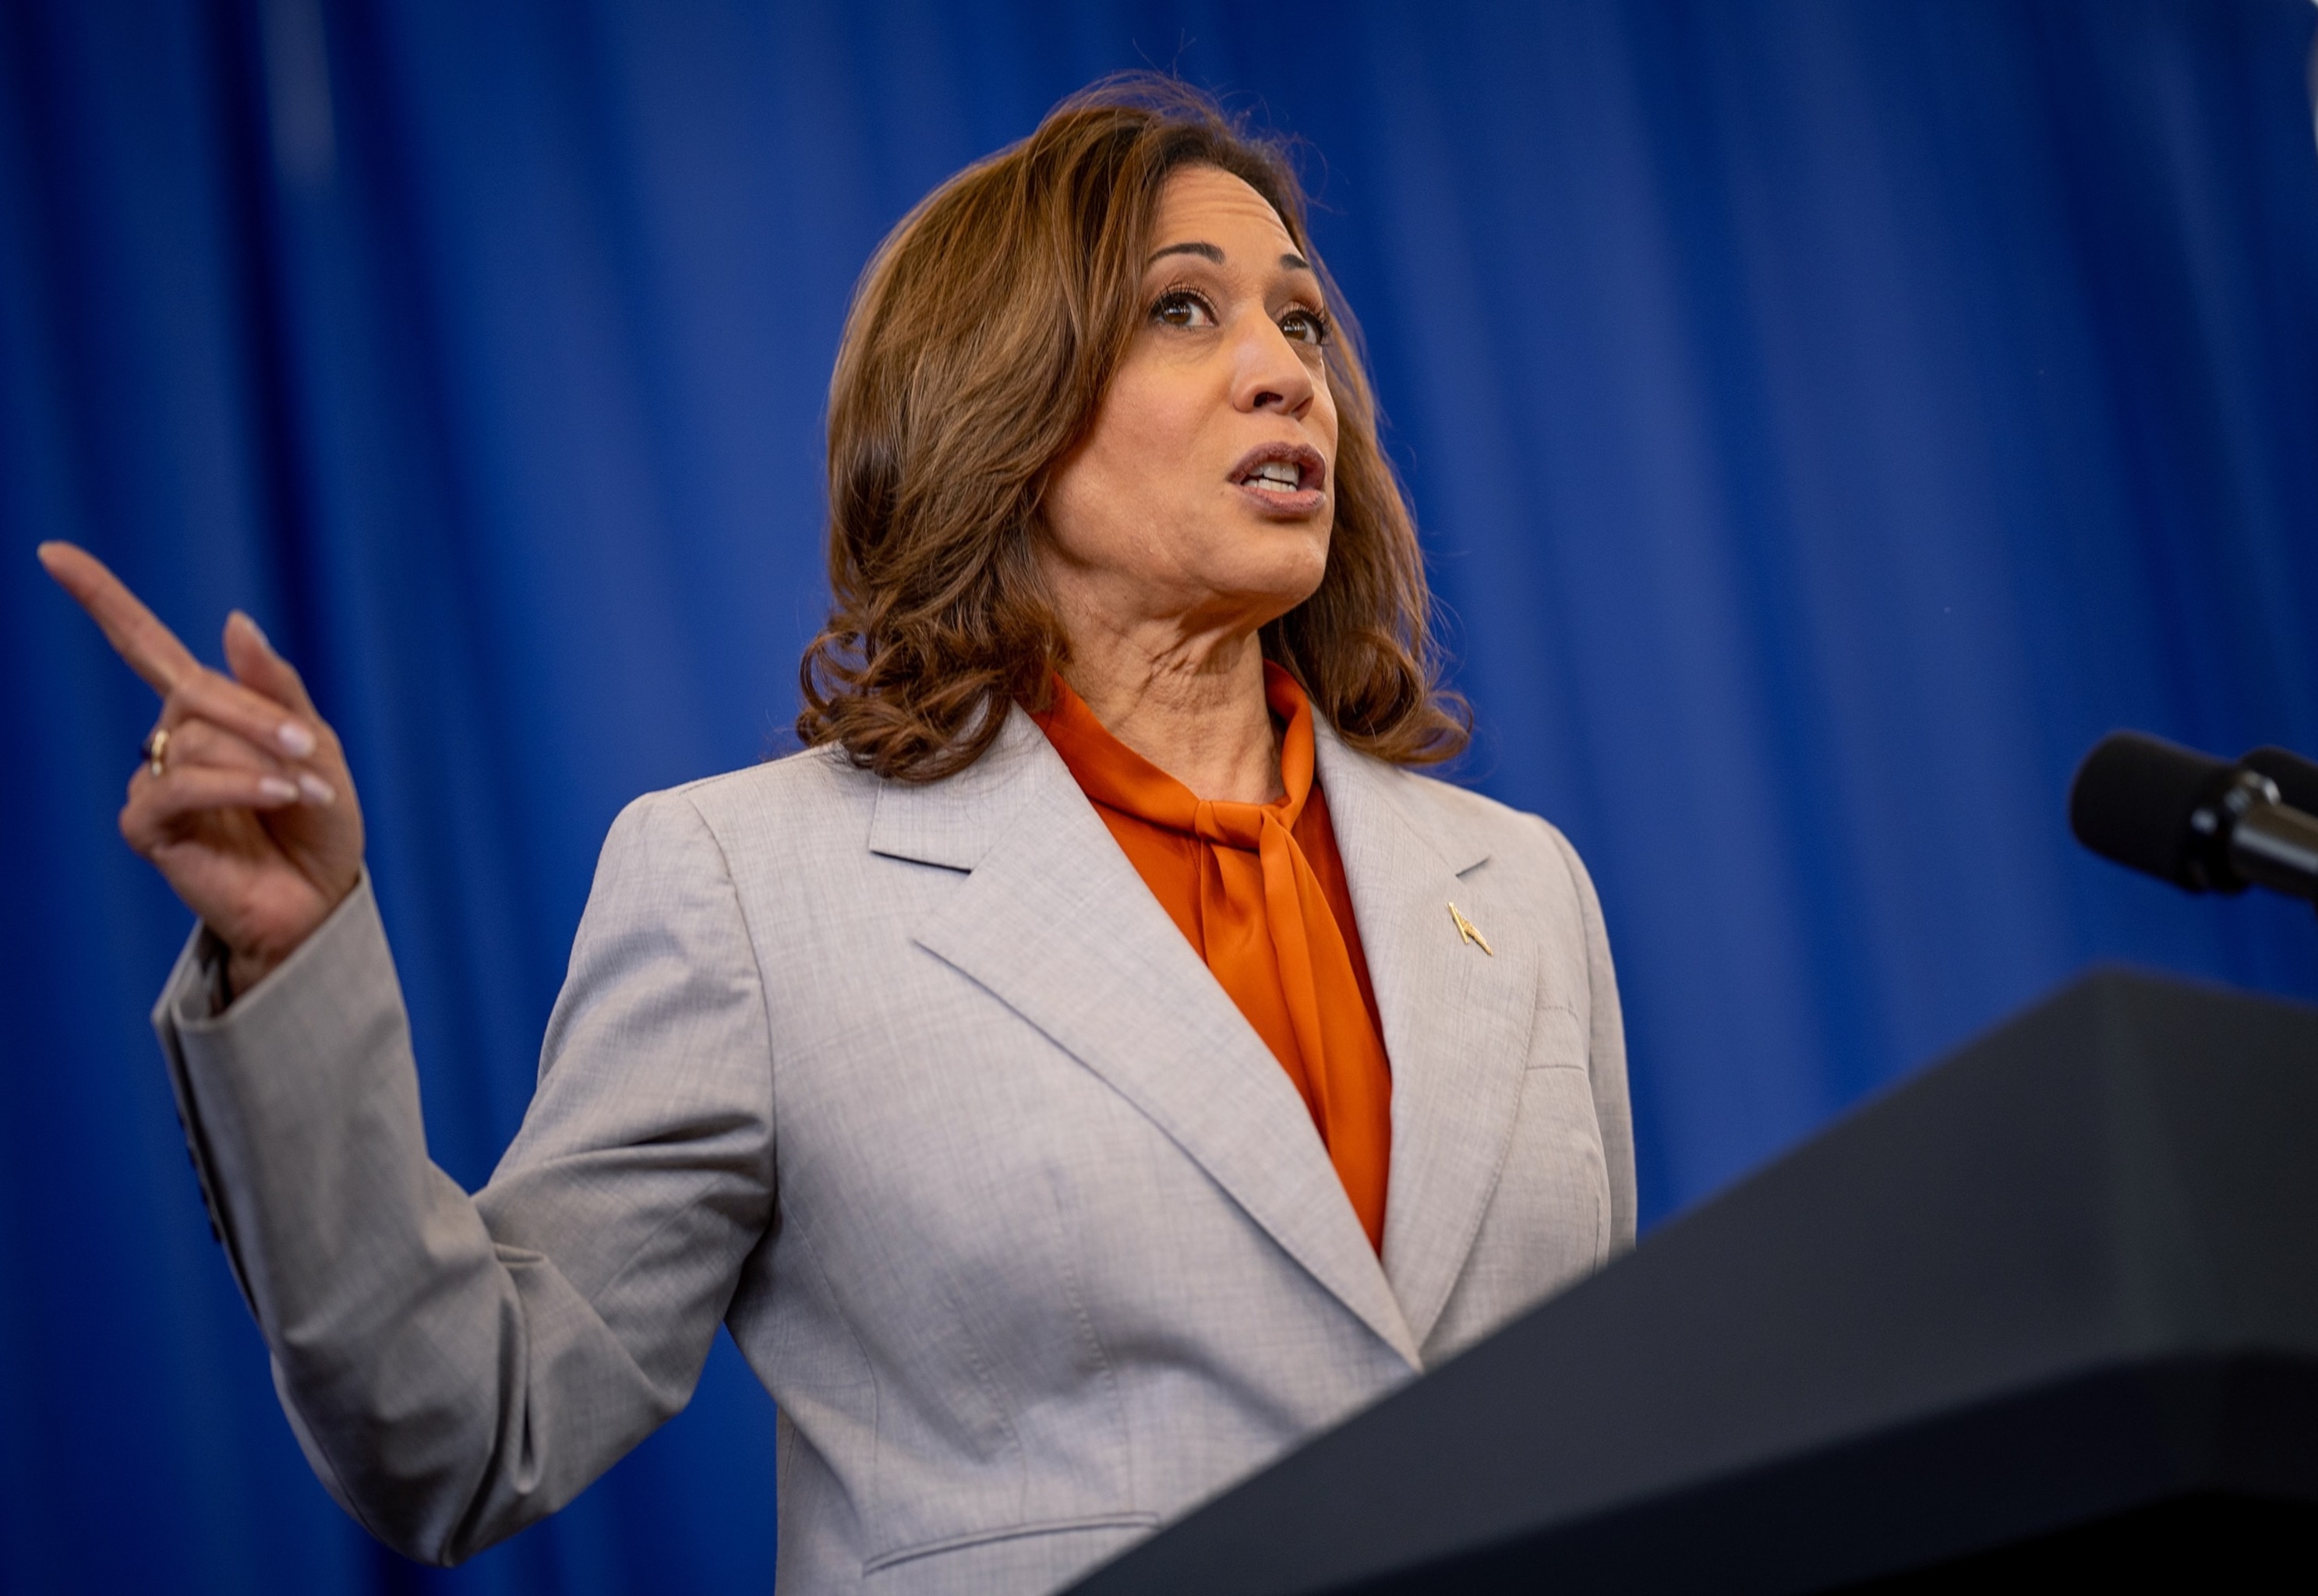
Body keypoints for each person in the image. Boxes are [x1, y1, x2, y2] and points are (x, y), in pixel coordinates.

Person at [40, 76, 1632, 1596]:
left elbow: (1612, 1448)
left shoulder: (1520, 890)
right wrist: (295, 955)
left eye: (1300, 317)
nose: (1290, 369)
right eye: (1182, 309)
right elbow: (465, 1420)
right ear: (1001, 403)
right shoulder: (753, 889)